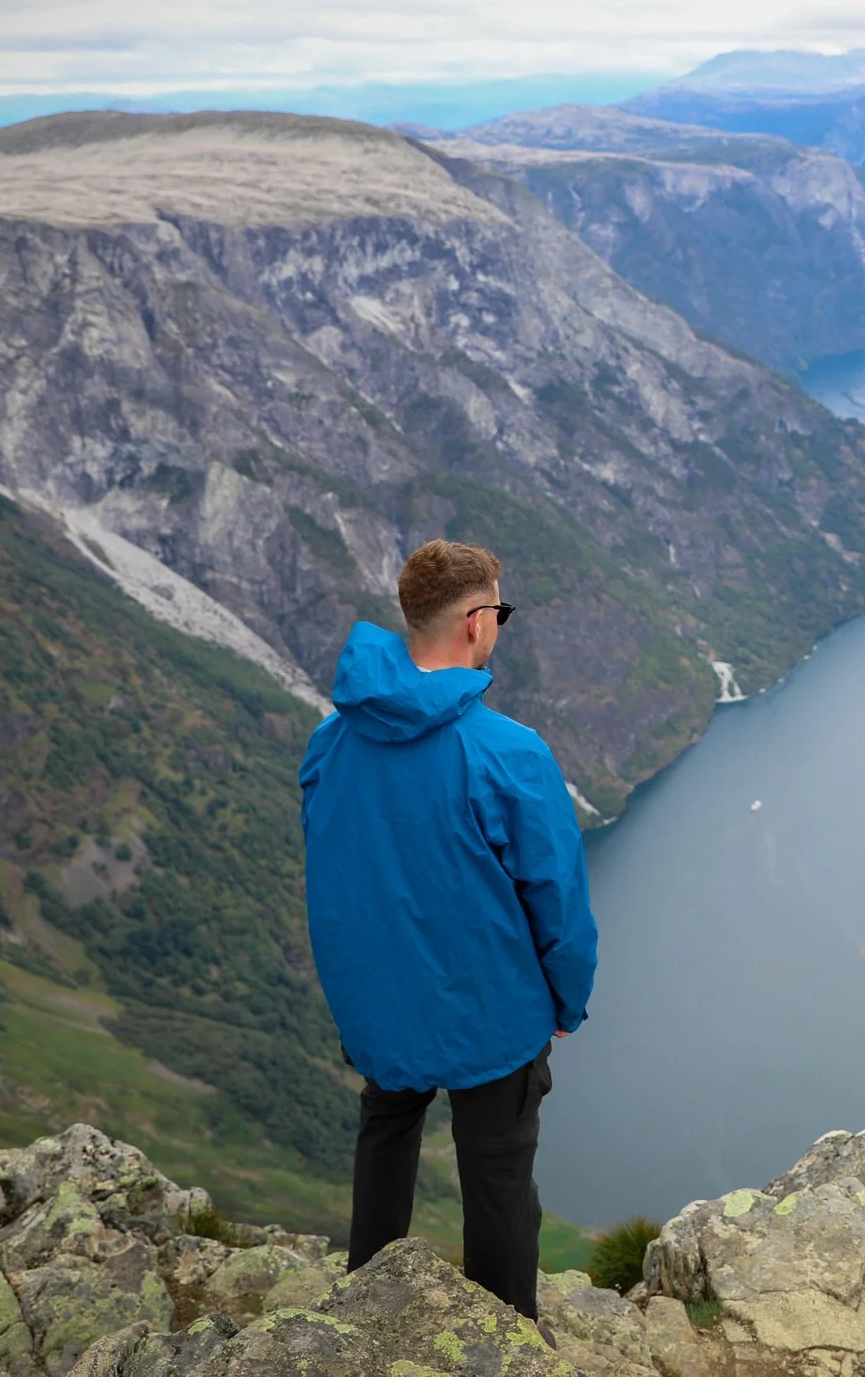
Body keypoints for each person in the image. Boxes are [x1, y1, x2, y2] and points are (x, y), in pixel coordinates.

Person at [298, 539, 597, 1320]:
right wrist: (566, 1000)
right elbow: (557, 900)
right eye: (499, 610)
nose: (498, 624)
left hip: (381, 1000)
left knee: (386, 1135)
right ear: (474, 622)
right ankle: (502, 1338)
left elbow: (341, 867)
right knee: (497, 1175)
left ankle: (363, 1313)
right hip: (490, 1008)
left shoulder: (331, 743)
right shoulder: (508, 753)